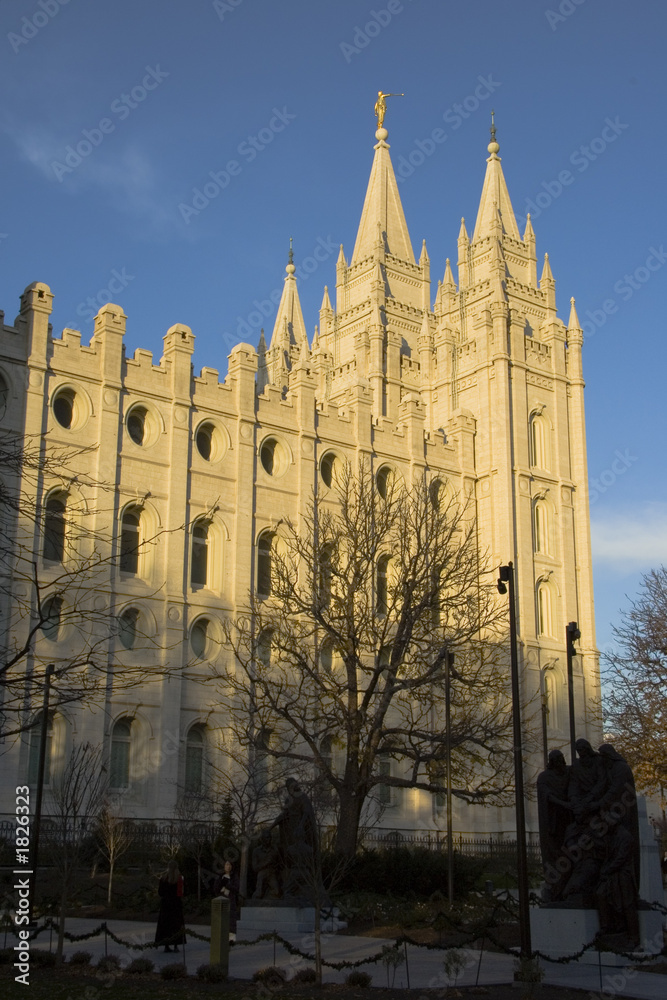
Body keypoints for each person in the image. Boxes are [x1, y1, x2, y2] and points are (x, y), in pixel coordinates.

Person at [154, 860, 186, 952]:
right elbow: (181, 893)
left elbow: (160, 892)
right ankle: (176, 945)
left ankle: (166, 945)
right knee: (176, 925)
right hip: (176, 905)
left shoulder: (163, 879)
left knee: (166, 925)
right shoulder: (179, 879)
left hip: (165, 905)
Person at [216, 860, 240, 941]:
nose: (228, 866)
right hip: (222, 900)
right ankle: (221, 939)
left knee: (232, 922)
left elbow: (236, 888)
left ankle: (231, 940)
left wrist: (227, 885)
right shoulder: (220, 876)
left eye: (229, 865)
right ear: (224, 866)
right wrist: (221, 884)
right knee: (222, 921)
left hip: (231, 901)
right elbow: (216, 888)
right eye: (226, 864)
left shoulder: (234, 876)